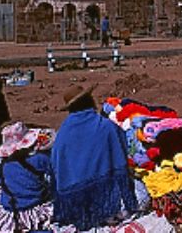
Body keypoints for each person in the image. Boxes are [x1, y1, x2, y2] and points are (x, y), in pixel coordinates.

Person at [51, 84, 137, 230]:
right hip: (105, 201)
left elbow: (55, 171)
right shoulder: (106, 127)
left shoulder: (61, 135)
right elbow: (122, 159)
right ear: (89, 101)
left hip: (73, 206)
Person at [0, 122, 56, 232]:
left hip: (11, 208)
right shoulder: (40, 159)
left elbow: (0, 181)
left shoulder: (3, 164)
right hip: (33, 206)